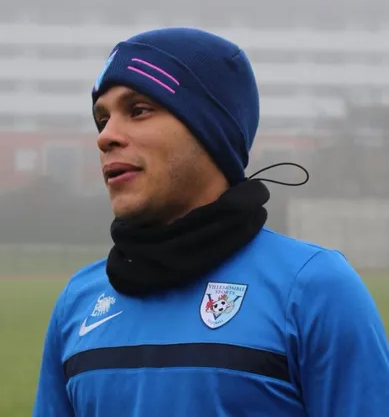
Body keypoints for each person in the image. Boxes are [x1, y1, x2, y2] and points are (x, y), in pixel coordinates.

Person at [32, 27, 389, 416]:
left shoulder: (312, 290)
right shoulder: (78, 303)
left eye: (138, 110)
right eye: (102, 119)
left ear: (209, 130)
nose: (106, 137)